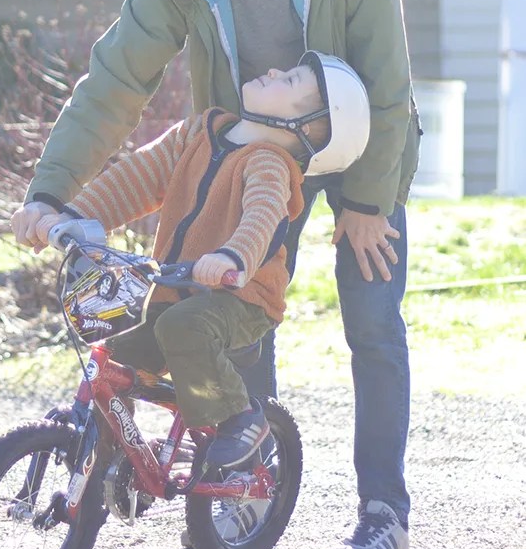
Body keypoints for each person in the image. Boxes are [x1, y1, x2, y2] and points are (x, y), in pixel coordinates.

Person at [11, 0, 421, 549]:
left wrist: (368, 199)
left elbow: (387, 77)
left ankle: (382, 512)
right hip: (249, 141)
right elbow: (115, 79)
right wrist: (52, 192)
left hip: (353, 133)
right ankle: (235, 494)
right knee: (231, 310)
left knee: (372, 316)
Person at [33, 52, 369, 470]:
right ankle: (108, 461)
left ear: (303, 125)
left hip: (240, 296)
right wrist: (73, 217)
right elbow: (136, 177)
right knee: (115, 348)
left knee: (184, 326)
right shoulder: (198, 133)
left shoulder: (269, 164)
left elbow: (262, 218)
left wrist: (232, 257)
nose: (271, 68)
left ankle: (240, 418)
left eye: (291, 78)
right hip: (174, 286)